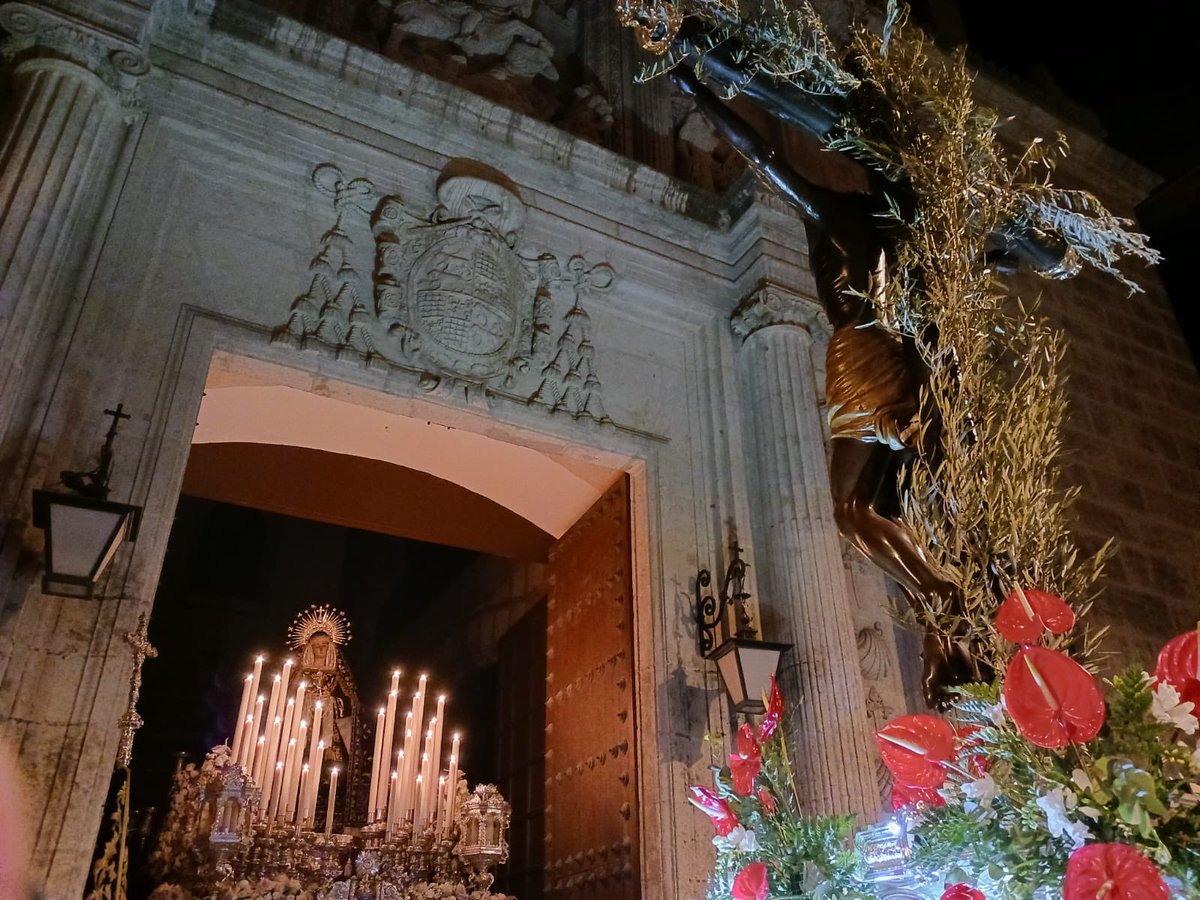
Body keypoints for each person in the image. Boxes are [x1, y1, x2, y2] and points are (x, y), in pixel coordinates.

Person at [673, 66, 1073, 705]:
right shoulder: (919, 245)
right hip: (891, 361)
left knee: (853, 509)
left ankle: (944, 599)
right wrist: (1027, 250)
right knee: (862, 508)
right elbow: (1013, 259)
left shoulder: (846, 217)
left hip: (867, 353)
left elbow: (763, 154)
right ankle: (944, 604)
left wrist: (695, 88)